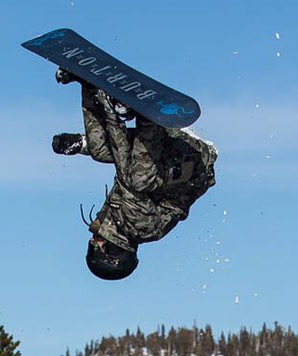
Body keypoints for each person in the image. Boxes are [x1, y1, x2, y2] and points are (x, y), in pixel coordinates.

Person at [52, 76, 217, 281]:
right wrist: (112, 113)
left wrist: (91, 89)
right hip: (197, 162)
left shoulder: (112, 222)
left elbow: (123, 159)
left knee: (100, 151)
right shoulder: (141, 228)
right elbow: (125, 169)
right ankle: (148, 119)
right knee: (139, 179)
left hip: (164, 155)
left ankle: (89, 90)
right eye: (96, 246)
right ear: (113, 252)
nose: (93, 240)